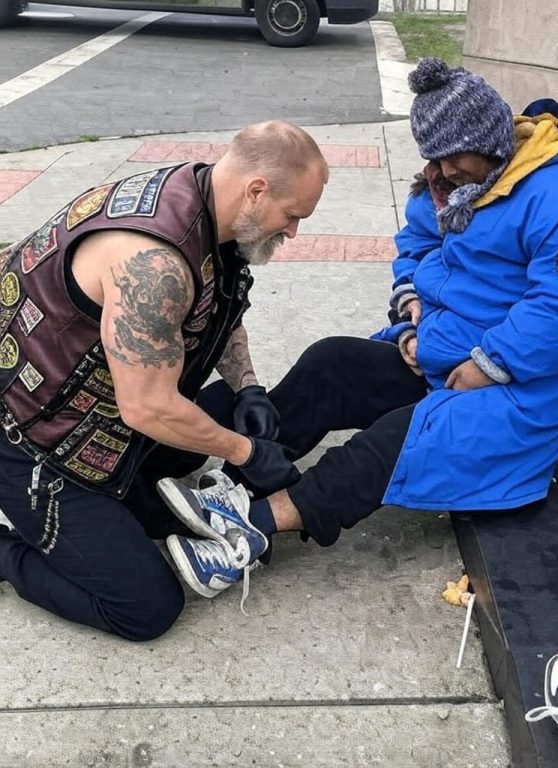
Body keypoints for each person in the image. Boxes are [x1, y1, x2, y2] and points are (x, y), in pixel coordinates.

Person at [157, 58, 558, 602]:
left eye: (454, 161)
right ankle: (241, 481)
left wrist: (490, 365)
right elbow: (417, 244)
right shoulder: (451, 177)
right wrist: (408, 309)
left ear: (491, 142)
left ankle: (252, 530)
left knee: (398, 443)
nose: (442, 173)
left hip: (518, 383)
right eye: (435, 160)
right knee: (331, 362)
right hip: (438, 354)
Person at [0, 121, 328, 640]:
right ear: (256, 190)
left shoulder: (208, 203)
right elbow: (147, 408)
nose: (292, 232)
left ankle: (128, 498)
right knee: (146, 606)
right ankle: (7, 552)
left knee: (198, 447)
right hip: (33, 444)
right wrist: (244, 452)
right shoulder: (154, 262)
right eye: (293, 216)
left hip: (103, 416)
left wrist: (247, 387)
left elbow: (220, 308)